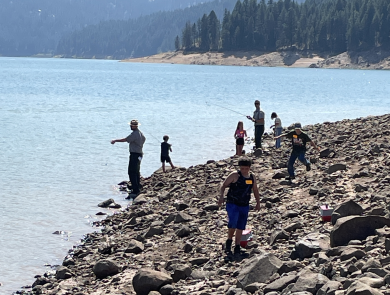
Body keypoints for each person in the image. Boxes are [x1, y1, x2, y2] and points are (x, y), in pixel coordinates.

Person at [218, 156, 260, 257]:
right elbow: (223, 186)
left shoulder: (252, 177)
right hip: (232, 203)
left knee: (241, 225)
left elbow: (255, 190)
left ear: (249, 168)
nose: (244, 170)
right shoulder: (234, 175)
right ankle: (229, 240)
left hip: (244, 204)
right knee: (233, 222)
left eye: (246, 168)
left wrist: (258, 202)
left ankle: (237, 246)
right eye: (242, 168)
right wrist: (221, 197)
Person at [111, 119, 146, 198]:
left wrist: (115, 140)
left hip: (135, 154)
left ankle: (135, 189)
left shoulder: (134, 134)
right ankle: (137, 187)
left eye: (131, 125)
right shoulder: (141, 133)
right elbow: (144, 139)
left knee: (131, 172)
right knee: (136, 171)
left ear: (134, 126)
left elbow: (126, 139)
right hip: (140, 154)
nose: (130, 126)